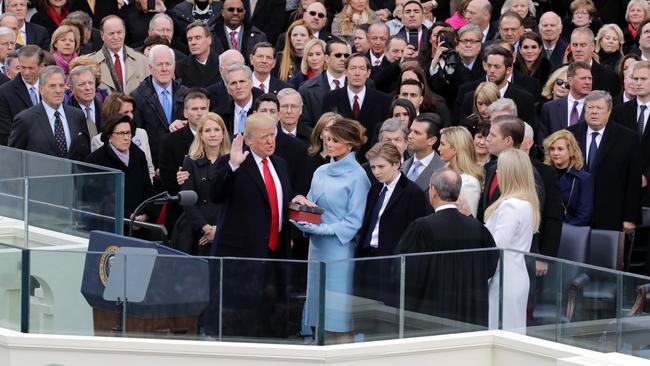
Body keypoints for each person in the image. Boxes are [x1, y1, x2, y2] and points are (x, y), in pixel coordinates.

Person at [291, 118, 370, 342]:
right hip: (316, 250)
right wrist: (299, 211)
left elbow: (354, 222)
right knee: (320, 318)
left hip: (339, 250)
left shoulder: (358, 176)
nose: (330, 144)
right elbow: (310, 204)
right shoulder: (320, 171)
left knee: (339, 318)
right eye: (327, 139)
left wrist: (323, 229)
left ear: (350, 144)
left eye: (335, 140)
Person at [395, 167, 496, 328]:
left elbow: (404, 272)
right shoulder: (477, 228)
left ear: (433, 191)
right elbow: (490, 267)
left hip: (431, 316)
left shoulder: (422, 227)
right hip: (469, 317)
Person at [354, 141, 425, 307]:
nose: (376, 172)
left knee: (386, 317)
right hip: (367, 259)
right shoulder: (374, 189)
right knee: (365, 315)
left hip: (392, 264)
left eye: (381, 166)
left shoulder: (412, 193)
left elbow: (415, 237)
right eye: (373, 167)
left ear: (396, 164)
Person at [568, 90, 641, 231]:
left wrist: (630, 218)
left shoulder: (627, 138)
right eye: (590, 107)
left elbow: (633, 180)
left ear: (609, 111)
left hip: (611, 214)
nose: (594, 112)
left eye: (599, 108)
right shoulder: (570, 134)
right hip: (575, 213)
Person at [485, 148, 540, 333]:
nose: (497, 172)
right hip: (516, 273)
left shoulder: (511, 205)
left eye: (500, 168)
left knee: (502, 332)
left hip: (504, 277)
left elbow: (495, 244)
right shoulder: (526, 203)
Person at [170, 112, 231, 255]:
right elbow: (186, 200)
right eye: (208, 130)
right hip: (194, 229)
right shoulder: (190, 161)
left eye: (217, 130)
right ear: (201, 135)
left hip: (224, 228)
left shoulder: (232, 162)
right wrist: (206, 229)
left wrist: (219, 229)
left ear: (223, 134)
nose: (213, 134)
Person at [8, 65, 89, 160]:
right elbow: (13, 158)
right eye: (52, 86)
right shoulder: (25, 120)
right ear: (41, 89)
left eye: (61, 85)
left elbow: (84, 152)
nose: (58, 90)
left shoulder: (77, 115)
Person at [86, 114, 157, 222]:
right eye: (120, 133)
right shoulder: (96, 159)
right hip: (111, 225)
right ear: (109, 134)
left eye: (128, 133)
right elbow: (97, 198)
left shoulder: (138, 155)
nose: (126, 138)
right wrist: (129, 218)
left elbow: (148, 189)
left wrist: (146, 215)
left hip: (141, 224)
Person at [322, 53, 392, 155]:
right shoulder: (330, 98)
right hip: (340, 159)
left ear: (368, 73)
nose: (357, 73)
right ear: (345, 72)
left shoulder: (384, 100)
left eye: (362, 69)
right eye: (353, 68)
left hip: (372, 160)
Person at [130, 45, 188, 168]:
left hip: (184, 166)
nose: (164, 68)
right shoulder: (137, 97)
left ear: (174, 67)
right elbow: (136, 137)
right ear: (150, 68)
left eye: (168, 64)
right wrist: (151, 167)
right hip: (153, 167)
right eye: (159, 64)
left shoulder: (186, 94)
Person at [612, 60, 650, 205]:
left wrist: (647, 176)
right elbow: (615, 147)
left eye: (643, 79)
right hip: (623, 186)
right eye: (635, 78)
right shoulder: (619, 112)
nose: (638, 83)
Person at [93, 93, 155, 181]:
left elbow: (149, 168)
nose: (131, 116)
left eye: (132, 111)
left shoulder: (141, 134)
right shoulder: (98, 140)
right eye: (126, 112)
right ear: (113, 114)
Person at [298, 39, 350, 133]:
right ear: (327, 58)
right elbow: (303, 125)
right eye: (338, 55)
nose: (343, 58)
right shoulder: (306, 89)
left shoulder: (362, 85)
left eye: (346, 55)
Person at [543, 130, 593, 226]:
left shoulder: (583, 179)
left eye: (560, 149)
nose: (555, 153)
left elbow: (584, 215)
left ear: (571, 151)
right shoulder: (543, 174)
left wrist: (565, 229)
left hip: (570, 231)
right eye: (552, 149)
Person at [538, 61, 592, 148]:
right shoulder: (550, 108)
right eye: (583, 78)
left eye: (590, 78)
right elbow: (543, 142)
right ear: (570, 81)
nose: (588, 82)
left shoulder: (596, 108)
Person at [91, 15, 149, 94]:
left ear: (124, 33)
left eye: (119, 32)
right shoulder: (91, 63)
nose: (116, 37)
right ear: (102, 35)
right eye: (111, 34)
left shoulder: (143, 61)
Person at [0, 45, 45, 145]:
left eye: (31, 68)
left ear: (41, 66)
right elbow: (6, 135)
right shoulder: (4, 93)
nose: (26, 72)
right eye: (23, 67)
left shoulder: (50, 87)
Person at [402, 113, 445, 211]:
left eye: (417, 133)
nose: (410, 136)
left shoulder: (443, 171)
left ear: (432, 140)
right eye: (411, 130)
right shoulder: (402, 165)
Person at [438, 126, 483, 217]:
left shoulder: (469, 183)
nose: (438, 148)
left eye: (442, 144)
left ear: (455, 149)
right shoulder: (443, 172)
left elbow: (468, 219)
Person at [174, 21, 220, 88]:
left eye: (198, 38)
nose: (193, 42)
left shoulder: (223, 64)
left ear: (209, 40)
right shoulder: (179, 68)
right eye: (190, 39)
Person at [67, 65, 102, 137]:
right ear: (72, 89)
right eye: (81, 84)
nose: (88, 88)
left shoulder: (106, 110)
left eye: (91, 83)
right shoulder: (66, 114)